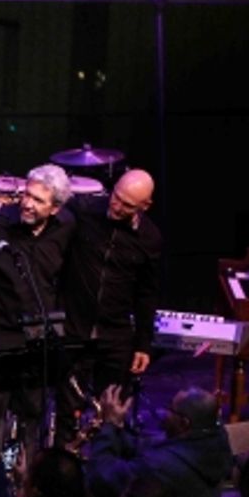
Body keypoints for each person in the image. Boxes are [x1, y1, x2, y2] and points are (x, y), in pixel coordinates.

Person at [0, 163, 76, 482]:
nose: (27, 204)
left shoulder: (66, 228)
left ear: (55, 207)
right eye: (26, 195)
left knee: (30, 416)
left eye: (38, 200)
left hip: (37, 333)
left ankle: (20, 483)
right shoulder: (1, 223)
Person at [60, 168, 162, 398]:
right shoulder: (84, 210)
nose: (116, 206)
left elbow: (147, 293)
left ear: (144, 206)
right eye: (116, 197)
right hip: (75, 329)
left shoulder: (150, 237)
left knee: (111, 408)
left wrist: (143, 344)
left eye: (126, 205)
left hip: (115, 335)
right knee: (68, 406)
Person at [86, 384, 233, 497]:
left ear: (184, 423)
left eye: (170, 409)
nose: (164, 412)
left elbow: (102, 479)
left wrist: (108, 426)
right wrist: (116, 426)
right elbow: (144, 445)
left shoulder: (163, 466)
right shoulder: (213, 437)